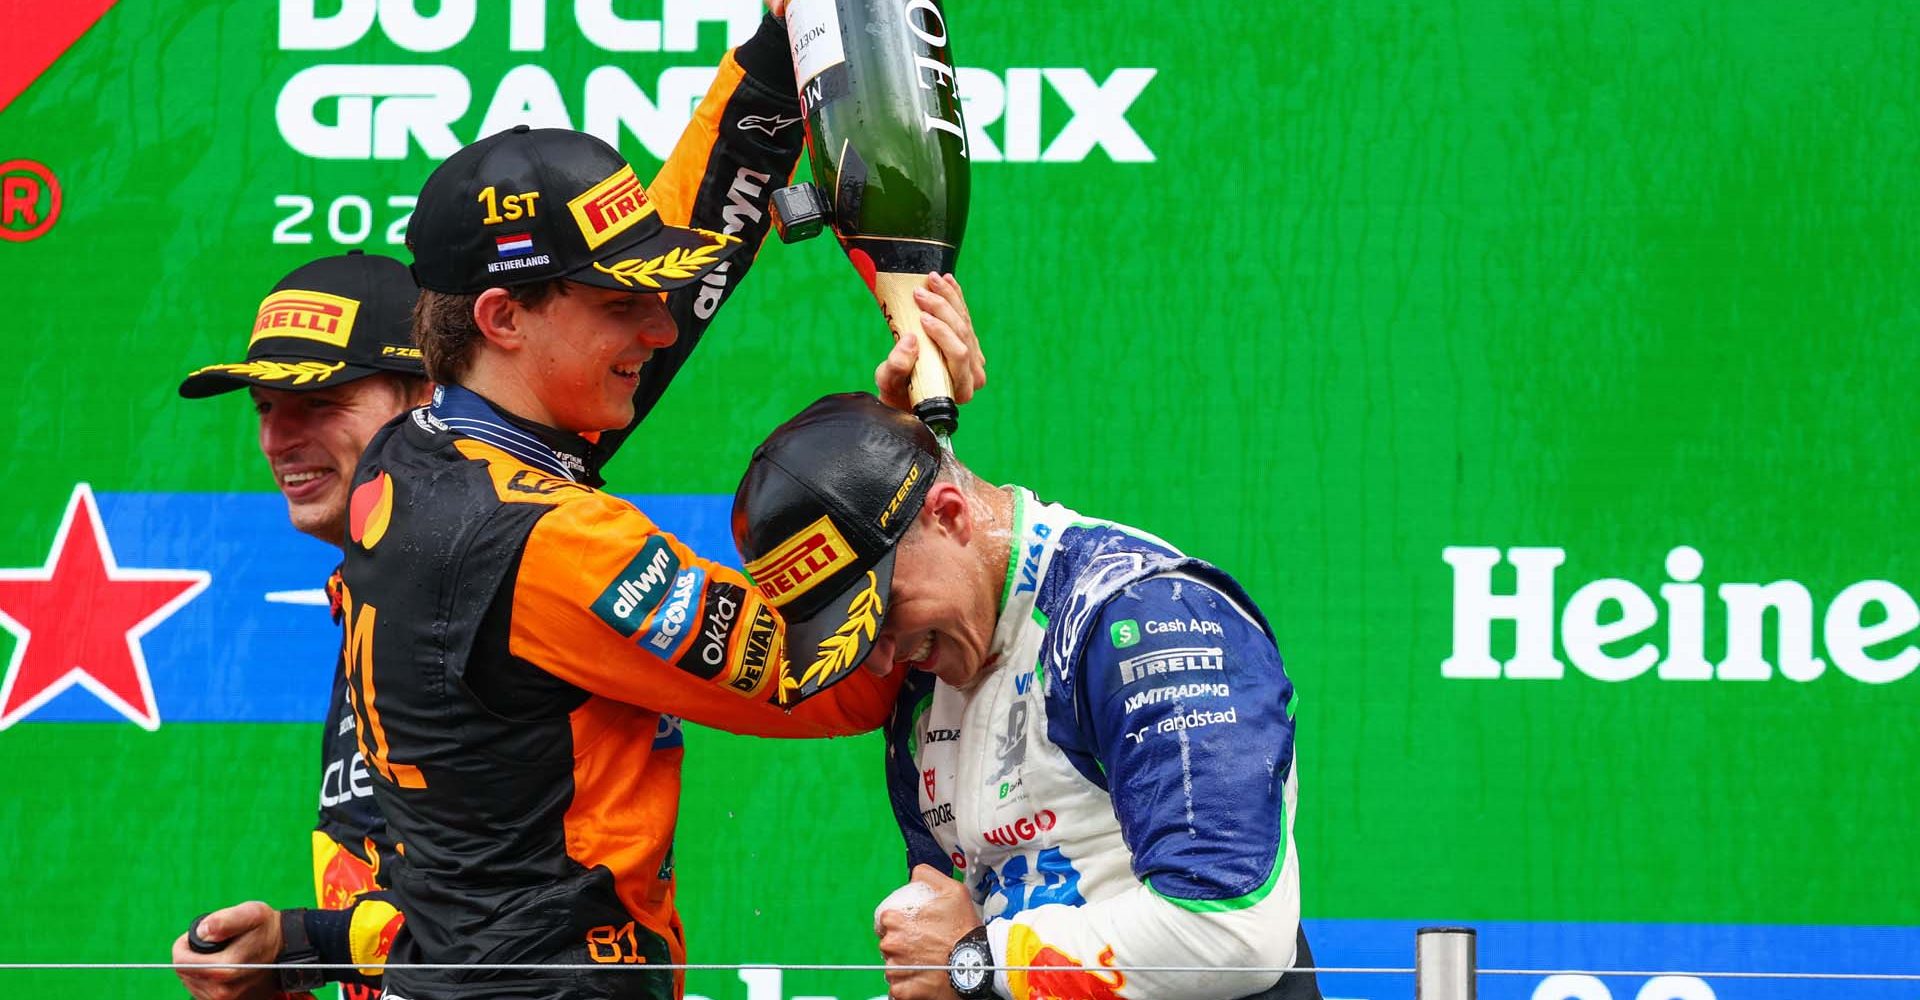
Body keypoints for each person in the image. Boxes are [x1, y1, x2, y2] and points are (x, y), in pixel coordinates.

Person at [326, 25, 984, 1000]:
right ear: (503, 319)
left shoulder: (412, 454)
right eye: (615, 300)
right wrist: (900, 457)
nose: (661, 326)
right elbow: (840, 675)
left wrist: (777, 51)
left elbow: (689, 241)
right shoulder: (558, 546)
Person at [731, 394, 1320, 1000]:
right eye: (846, 637)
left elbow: (1234, 931)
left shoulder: (1137, 618)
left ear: (951, 514)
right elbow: (949, 939)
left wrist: (978, 963)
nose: (877, 660)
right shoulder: (922, 675)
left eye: (883, 612)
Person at [173, 250, 432, 1000]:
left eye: (318, 401)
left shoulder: (489, 585)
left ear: (425, 397)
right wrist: (282, 968)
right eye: (263, 406)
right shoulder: (372, 595)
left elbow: (521, 926)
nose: (278, 439)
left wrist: (299, 942)